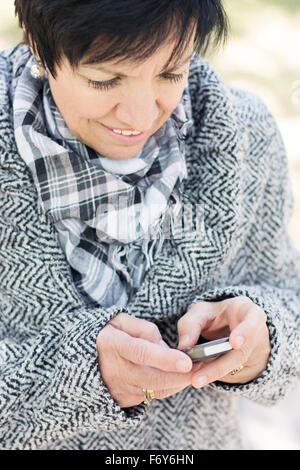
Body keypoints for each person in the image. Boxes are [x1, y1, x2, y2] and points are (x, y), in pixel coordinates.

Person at [0, 0, 299, 450]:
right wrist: (77, 375)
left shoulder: (246, 132)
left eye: (170, 73)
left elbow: (288, 293)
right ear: (40, 47)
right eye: (105, 79)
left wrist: (265, 338)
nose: (140, 117)